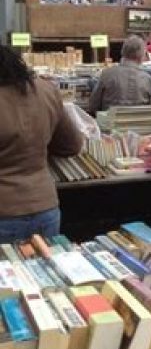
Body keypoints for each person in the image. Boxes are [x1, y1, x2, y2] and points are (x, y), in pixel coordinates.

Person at [0, 45, 83, 242]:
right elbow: (71, 145)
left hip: (4, 211)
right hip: (45, 207)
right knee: (47, 270)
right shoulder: (46, 90)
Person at [89, 35, 151, 113]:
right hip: (139, 123)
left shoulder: (106, 74)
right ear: (142, 56)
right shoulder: (149, 80)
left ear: (122, 52)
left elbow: (93, 106)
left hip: (110, 123)